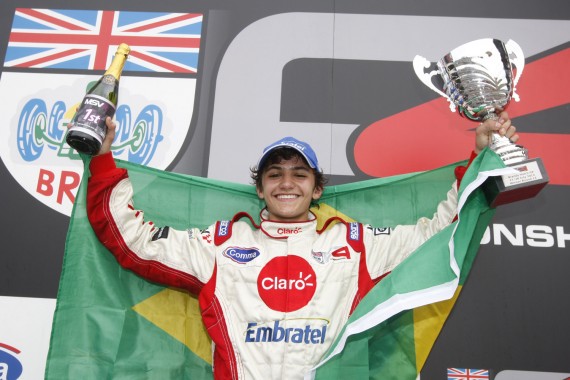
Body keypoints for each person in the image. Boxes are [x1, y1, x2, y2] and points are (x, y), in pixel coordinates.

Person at [86, 113, 519, 379]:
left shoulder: (354, 245)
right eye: (274, 174)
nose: (287, 183)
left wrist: (478, 159)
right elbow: (134, 242)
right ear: (259, 189)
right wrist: (102, 160)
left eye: (299, 174)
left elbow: (438, 234)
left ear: (316, 190)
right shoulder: (221, 244)